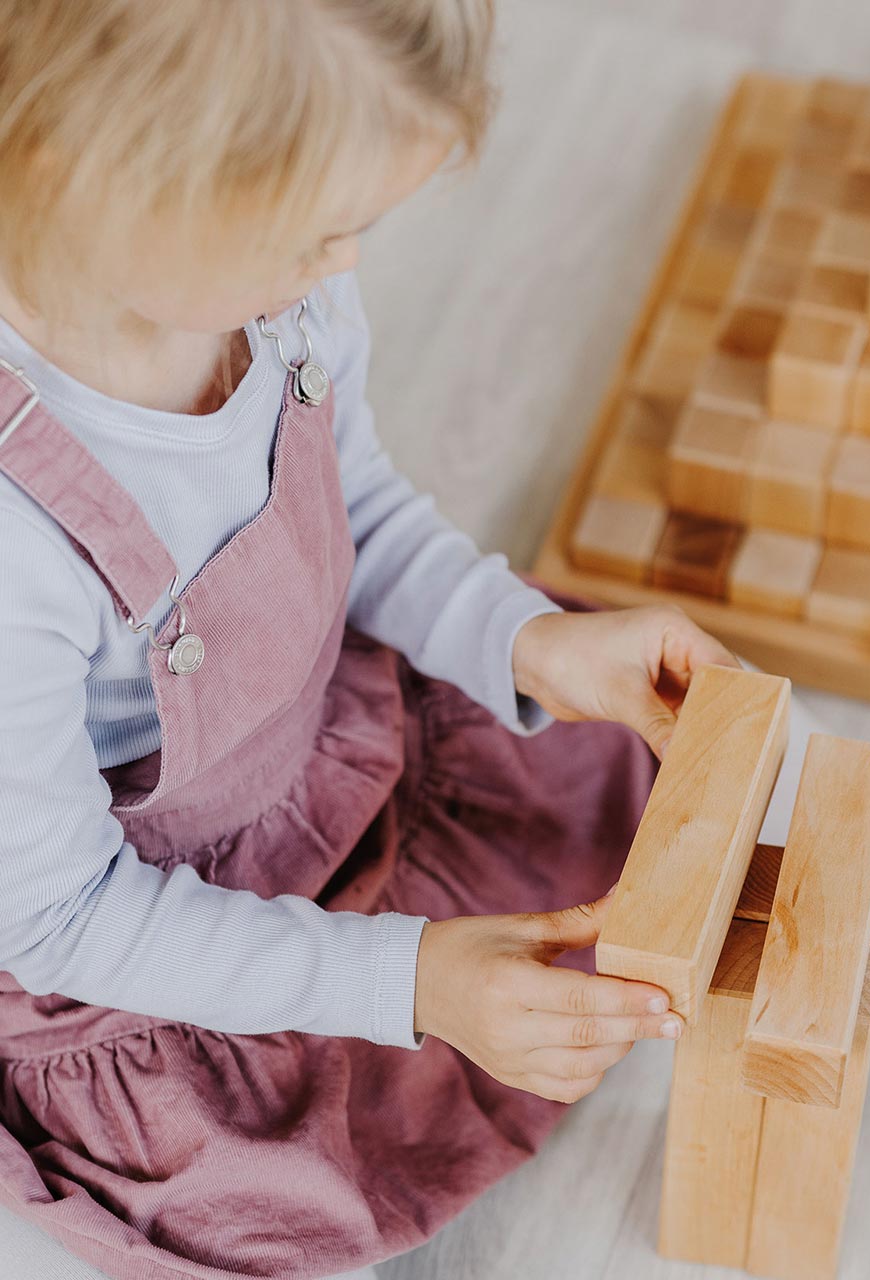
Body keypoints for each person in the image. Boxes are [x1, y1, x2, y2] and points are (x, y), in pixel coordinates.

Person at [0, 3, 744, 1276]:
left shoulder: (279, 296)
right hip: (133, 921)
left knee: (593, 786)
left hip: (316, 749)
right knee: (281, 1189)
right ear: (94, 172)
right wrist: (412, 982)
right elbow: (60, 914)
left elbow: (355, 508)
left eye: (360, 225)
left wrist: (516, 641)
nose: (342, 260)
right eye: (310, 232)